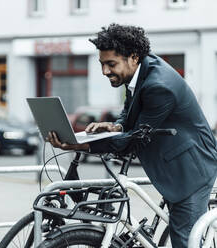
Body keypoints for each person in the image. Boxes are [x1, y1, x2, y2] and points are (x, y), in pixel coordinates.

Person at [47, 23, 217, 247]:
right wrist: (116, 126)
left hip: (190, 171)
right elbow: (130, 109)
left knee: (184, 240)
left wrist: (80, 146)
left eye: (111, 64)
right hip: (170, 161)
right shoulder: (140, 71)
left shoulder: (159, 86)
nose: (105, 71)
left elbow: (134, 140)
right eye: (102, 64)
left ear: (133, 57)